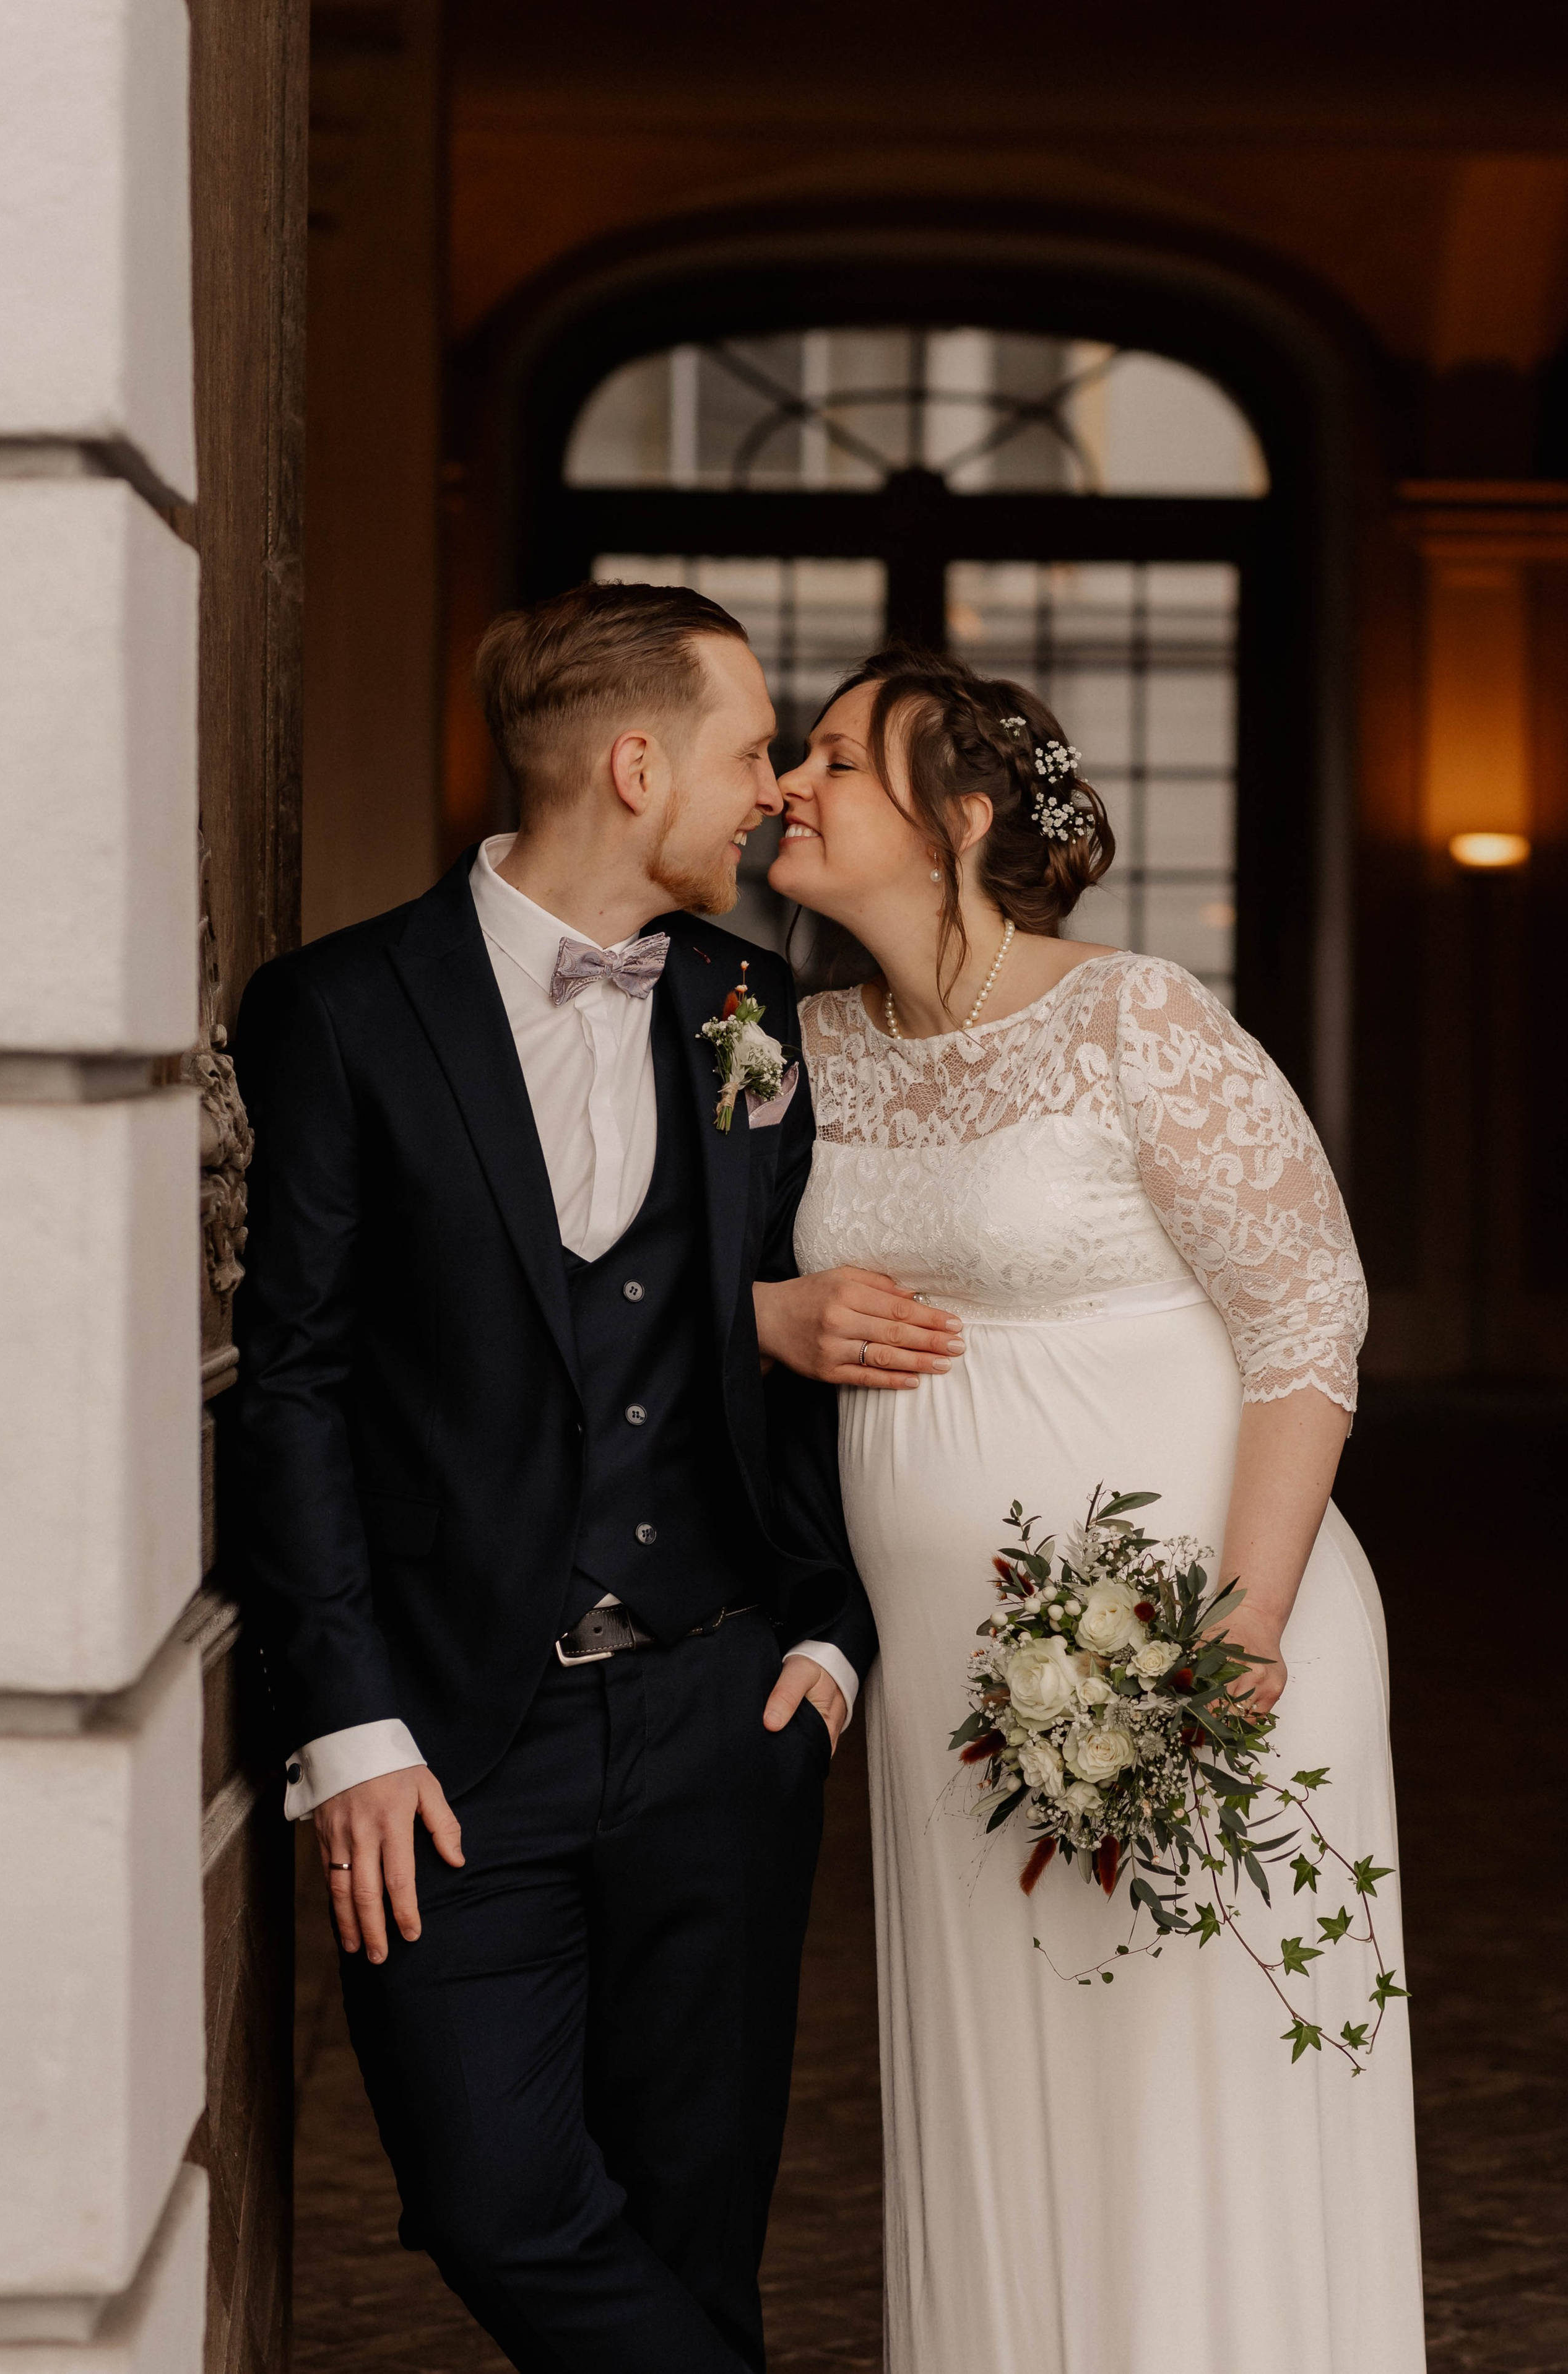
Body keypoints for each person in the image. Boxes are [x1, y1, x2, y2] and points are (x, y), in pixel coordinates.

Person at [228, 581, 876, 2374]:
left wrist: (828, 1637)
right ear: (637, 764)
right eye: (754, 750)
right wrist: (349, 1722)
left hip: (722, 1711)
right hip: (448, 1737)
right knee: (494, 2198)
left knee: (695, 2222)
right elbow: (293, 1388)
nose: (776, 791)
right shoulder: (341, 1009)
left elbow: (776, 1320)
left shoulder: (748, 1002)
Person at [754, 648, 1426, 2374]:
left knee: (1193, 2088)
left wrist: (1240, 1628)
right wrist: (768, 1315)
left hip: (1203, 1639)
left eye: (838, 757)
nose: (788, 783)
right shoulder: (796, 1048)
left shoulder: (1138, 1018)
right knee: (1009, 2084)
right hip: (954, 1681)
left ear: (960, 820)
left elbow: (1309, 1317)